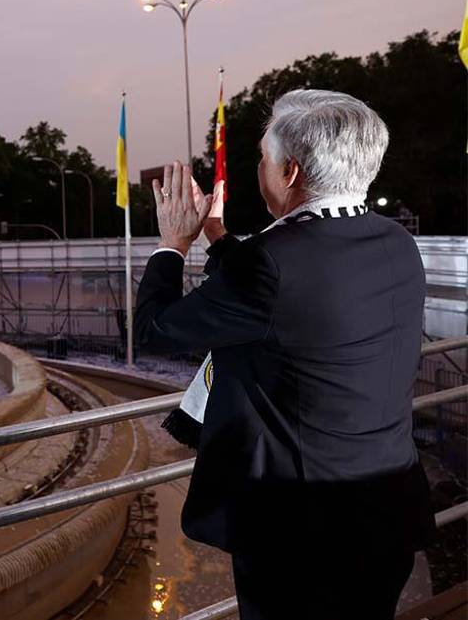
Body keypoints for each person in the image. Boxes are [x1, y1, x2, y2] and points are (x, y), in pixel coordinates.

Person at [134, 90, 434, 620]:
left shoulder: (271, 264)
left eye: (262, 159)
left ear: (290, 171)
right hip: (385, 512)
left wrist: (173, 244)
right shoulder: (394, 242)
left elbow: (157, 330)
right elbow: (297, 297)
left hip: (302, 538)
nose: (259, 169)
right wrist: (218, 236)